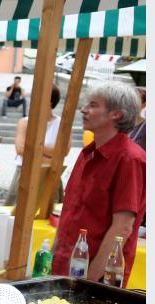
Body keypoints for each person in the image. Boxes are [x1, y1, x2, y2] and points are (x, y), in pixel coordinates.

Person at [52, 82, 145, 285]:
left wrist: (88, 282)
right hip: (67, 271)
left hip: (95, 280)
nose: (84, 110)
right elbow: (70, 212)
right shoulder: (88, 153)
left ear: (117, 114)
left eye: (93, 105)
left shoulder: (130, 159)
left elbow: (122, 228)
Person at [5, 85, 64, 206]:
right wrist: (49, 158)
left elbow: (64, 151)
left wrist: (33, 148)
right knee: (16, 212)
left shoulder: (61, 124)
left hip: (49, 173)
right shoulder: (25, 122)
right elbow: (20, 149)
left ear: (50, 100)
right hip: (26, 171)